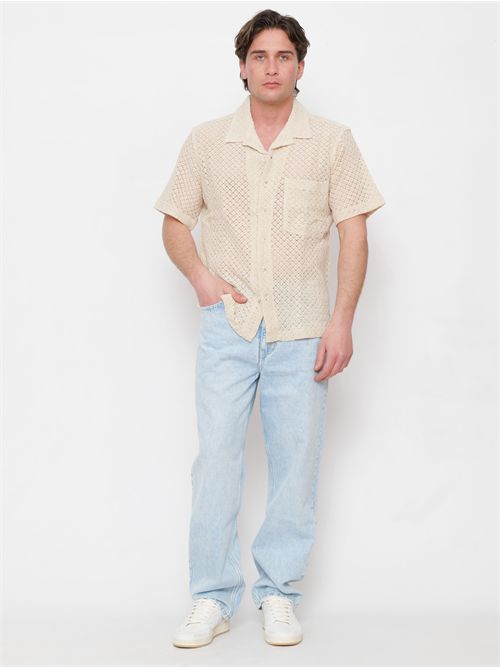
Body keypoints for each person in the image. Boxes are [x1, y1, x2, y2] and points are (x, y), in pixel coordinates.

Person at [153, 8, 385, 649]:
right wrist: (202, 279)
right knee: (217, 462)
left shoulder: (333, 142)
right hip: (228, 327)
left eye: (284, 56)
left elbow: (355, 233)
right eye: (260, 56)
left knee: (295, 465)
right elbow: (174, 219)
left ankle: (279, 593)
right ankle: (211, 596)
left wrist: (342, 321)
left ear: (300, 67)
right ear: (243, 66)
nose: (272, 67)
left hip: (304, 328)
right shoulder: (206, 141)